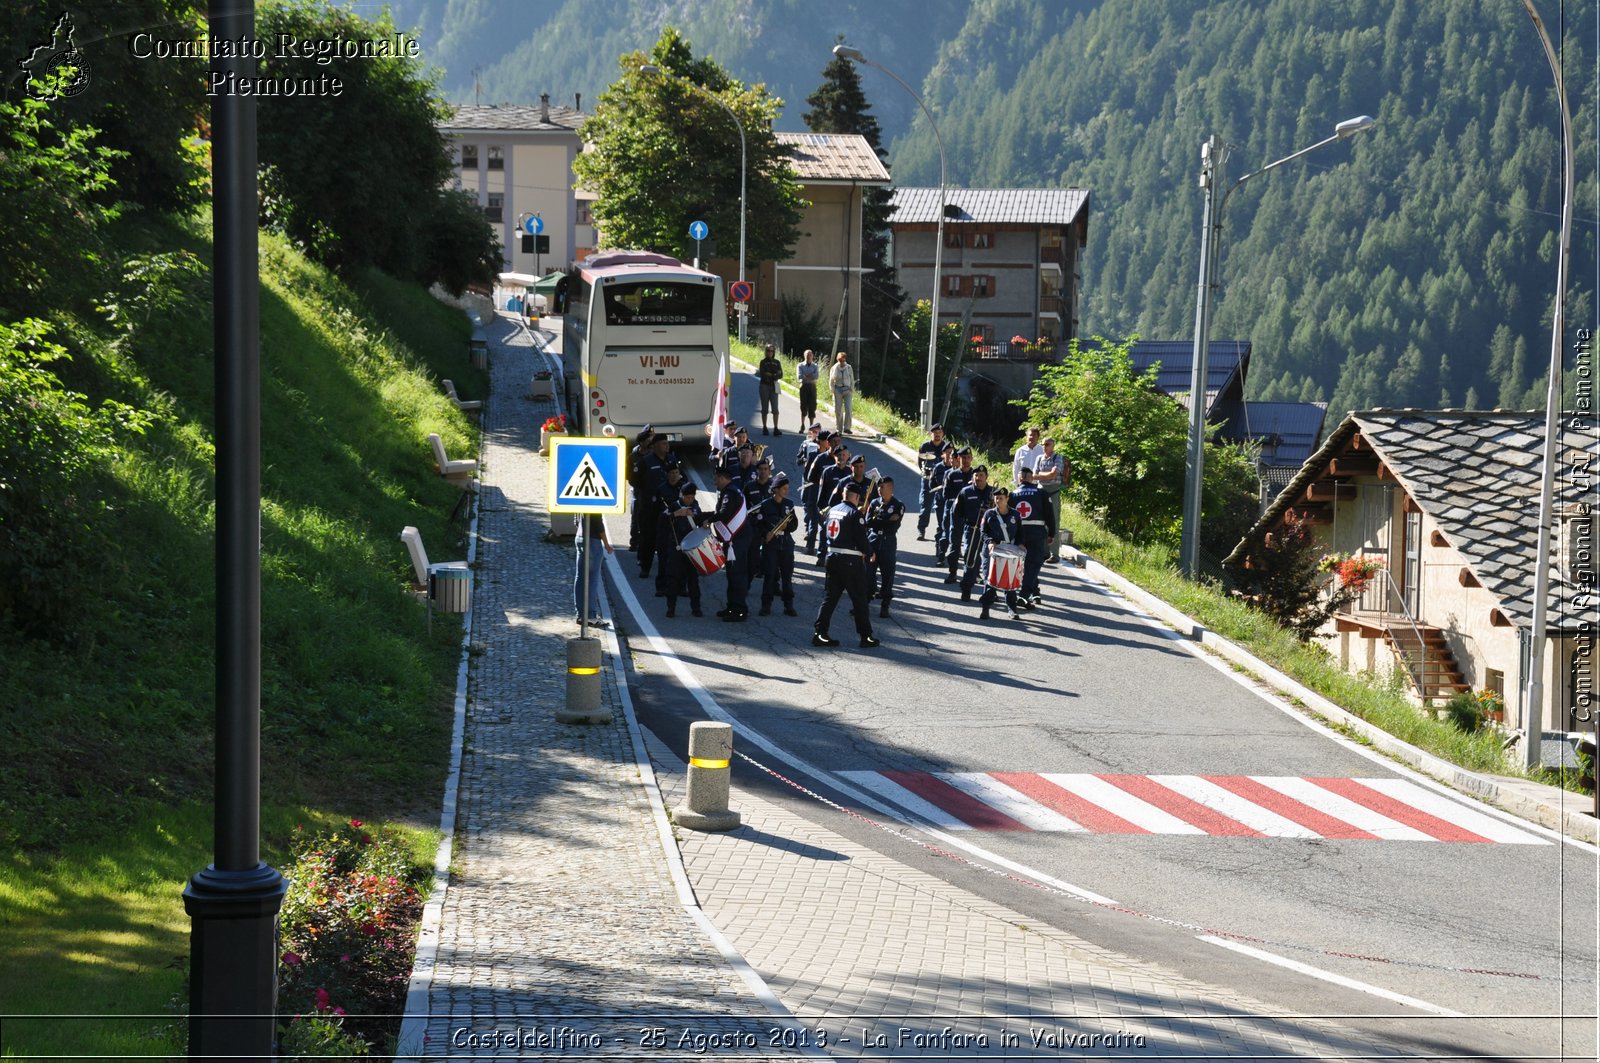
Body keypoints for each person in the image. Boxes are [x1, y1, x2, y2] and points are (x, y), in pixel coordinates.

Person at [812, 480, 878, 649]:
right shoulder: (854, 514)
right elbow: (861, 538)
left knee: (830, 598)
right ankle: (866, 636)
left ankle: (820, 633)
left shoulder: (833, 510)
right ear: (856, 497)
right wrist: (870, 552)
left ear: (844, 495)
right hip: (851, 561)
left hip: (832, 557)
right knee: (859, 599)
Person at [709, 466, 753, 622]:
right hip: (738, 539)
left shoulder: (729, 492)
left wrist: (708, 519)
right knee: (732, 574)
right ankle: (732, 606)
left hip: (737, 541)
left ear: (722, 478)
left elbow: (724, 513)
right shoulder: (734, 489)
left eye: (716, 479)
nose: (715, 482)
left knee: (737, 575)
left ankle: (739, 609)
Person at [976, 487, 1024, 621]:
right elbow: (983, 532)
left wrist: (1020, 544)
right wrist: (990, 542)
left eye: (1001, 498)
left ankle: (1012, 609)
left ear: (1007, 499)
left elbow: (1020, 532)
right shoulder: (989, 514)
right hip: (992, 551)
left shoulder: (1015, 515)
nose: (998, 501)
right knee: (990, 580)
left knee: (1009, 581)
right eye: (996, 498)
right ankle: (985, 608)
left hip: (1009, 550)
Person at [1011, 465, 1055, 607]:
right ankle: (1024, 595)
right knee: (1034, 563)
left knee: (1026, 565)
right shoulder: (1041, 493)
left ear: (1019, 478)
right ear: (1032, 478)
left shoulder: (1012, 494)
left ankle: (1035, 592)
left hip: (1019, 533)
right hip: (1036, 533)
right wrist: (1051, 533)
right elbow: (1050, 514)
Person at [755, 473, 799, 616]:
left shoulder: (789, 504)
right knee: (770, 575)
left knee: (787, 576)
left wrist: (787, 527)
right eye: (784, 488)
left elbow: (794, 524)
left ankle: (789, 605)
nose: (786, 490)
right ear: (776, 489)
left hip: (785, 544)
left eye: (787, 488)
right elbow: (759, 524)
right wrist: (765, 534)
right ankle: (766, 605)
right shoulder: (766, 505)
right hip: (771, 544)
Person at [660, 480, 703, 618]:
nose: (690, 500)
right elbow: (661, 520)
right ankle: (670, 608)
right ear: (682, 495)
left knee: (693, 579)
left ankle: (696, 608)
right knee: (672, 578)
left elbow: (699, 520)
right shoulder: (674, 506)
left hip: (691, 548)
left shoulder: (695, 507)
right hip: (676, 547)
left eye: (692, 497)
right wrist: (676, 514)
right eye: (687, 497)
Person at [865, 476, 904, 617]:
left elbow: (894, 524)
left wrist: (880, 521)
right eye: (879, 487)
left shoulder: (898, 505)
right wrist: (885, 520)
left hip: (888, 542)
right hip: (873, 539)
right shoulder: (874, 503)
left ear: (891, 488)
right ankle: (865, 602)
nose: (880, 490)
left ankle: (885, 604)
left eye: (883, 487)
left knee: (887, 574)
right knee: (868, 572)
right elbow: (868, 522)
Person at [953, 465, 994, 595]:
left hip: (989, 532)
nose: (979, 478)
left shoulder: (994, 492)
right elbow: (956, 512)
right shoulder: (966, 492)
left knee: (989, 561)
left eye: (982, 475)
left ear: (986, 477)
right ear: (973, 477)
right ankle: (966, 589)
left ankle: (990, 591)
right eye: (976, 475)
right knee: (970, 559)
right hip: (972, 529)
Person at [1033, 435, 1070, 564]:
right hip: (1041, 493)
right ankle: (1044, 552)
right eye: (1043, 444)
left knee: (1053, 522)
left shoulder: (1058, 457)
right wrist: (1047, 475)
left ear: (1053, 446)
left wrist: (1043, 475)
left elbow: (1054, 474)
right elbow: (1034, 475)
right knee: (1041, 522)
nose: (1044, 447)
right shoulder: (1039, 458)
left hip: (1053, 493)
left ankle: (1055, 554)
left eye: (1047, 444)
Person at [937, 447, 974, 570]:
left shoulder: (976, 475)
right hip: (952, 509)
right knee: (948, 535)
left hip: (969, 512)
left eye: (968, 458)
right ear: (959, 459)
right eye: (963, 458)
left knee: (970, 541)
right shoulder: (952, 474)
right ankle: (942, 557)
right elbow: (945, 494)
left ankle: (972, 570)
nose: (966, 460)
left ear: (972, 459)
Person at [573, 514, 613, 626]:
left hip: (580, 536)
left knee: (580, 577)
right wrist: (606, 544)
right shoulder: (595, 501)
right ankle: (590, 615)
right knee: (592, 579)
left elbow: (575, 520)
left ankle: (580, 614)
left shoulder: (580, 499)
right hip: (592, 540)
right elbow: (598, 524)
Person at [802, 429, 834, 554]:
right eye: (827, 440)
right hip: (814, 491)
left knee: (824, 522)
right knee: (813, 520)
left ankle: (824, 548)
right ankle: (810, 546)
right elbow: (807, 475)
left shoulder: (832, 457)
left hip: (825, 494)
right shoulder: (813, 456)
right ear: (821, 441)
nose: (829, 443)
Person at [916, 423, 947, 540]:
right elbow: (920, 461)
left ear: (943, 434)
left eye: (939, 433)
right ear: (930, 434)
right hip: (928, 480)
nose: (937, 435)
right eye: (935, 433)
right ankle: (921, 530)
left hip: (942, 481)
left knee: (942, 507)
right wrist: (926, 474)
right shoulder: (925, 446)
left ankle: (942, 531)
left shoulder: (946, 447)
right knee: (926, 506)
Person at [757, 344, 783, 436]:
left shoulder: (777, 362)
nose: (770, 352)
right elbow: (763, 374)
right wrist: (774, 374)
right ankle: (764, 427)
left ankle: (776, 428)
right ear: (765, 351)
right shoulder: (763, 362)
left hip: (774, 386)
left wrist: (771, 375)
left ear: (774, 352)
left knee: (775, 408)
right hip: (764, 386)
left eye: (771, 351)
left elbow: (780, 374)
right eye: (768, 350)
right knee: (765, 408)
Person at [828, 351, 856, 434]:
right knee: (838, 410)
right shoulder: (834, 368)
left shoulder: (849, 367)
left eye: (843, 360)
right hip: (838, 390)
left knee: (848, 409)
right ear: (838, 360)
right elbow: (831, 381)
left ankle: (847, 427)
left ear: (845, 359)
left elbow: (852, 379)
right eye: (840, 360)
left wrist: (851, 389)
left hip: (847, 390)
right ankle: (839, 429)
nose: (841, 362)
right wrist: (833, 390)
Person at [796, 350, 820, 432]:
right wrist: (809, 376)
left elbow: (816, 376)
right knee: (803, 406)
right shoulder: (800, 365)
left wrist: (806, 376)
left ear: (812, 356)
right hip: (804, 386)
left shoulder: (815, 366)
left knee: (812, 406)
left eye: (810, 355)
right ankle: (802, 424)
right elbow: (800, 376)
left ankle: (811, 426)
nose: (809, 356)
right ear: (804, 356)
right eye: (807, 355)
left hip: (812, 387)